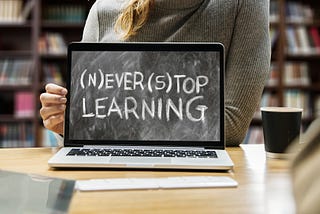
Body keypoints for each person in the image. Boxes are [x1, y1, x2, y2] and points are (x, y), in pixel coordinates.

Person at [39, 0, 271, 146]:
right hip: (110, 174)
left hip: (199, 180)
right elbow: (86, 124)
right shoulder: (103, 10)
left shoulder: (244, 4)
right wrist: (66, 123)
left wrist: (107, 124)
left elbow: (232, 125)